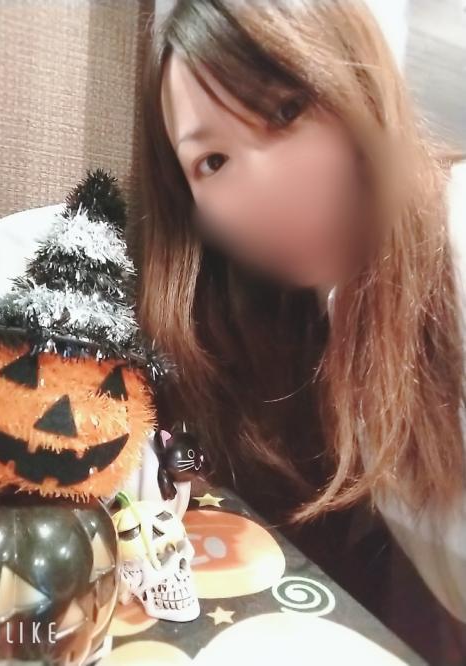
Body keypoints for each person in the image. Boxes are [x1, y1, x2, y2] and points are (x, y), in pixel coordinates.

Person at [136, 1, 466, 661]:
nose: (261, 187)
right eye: (213, 161)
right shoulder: (303, 315)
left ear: (358, 78)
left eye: (286, 111)